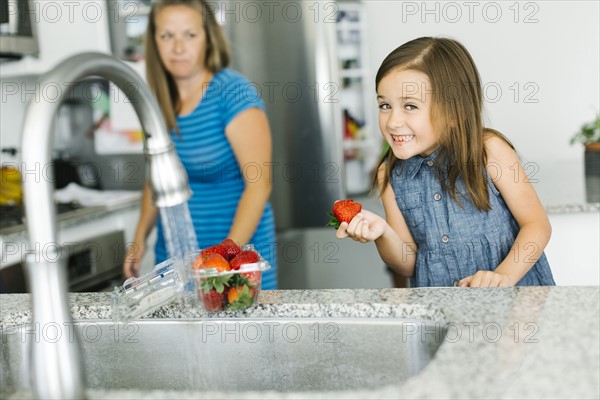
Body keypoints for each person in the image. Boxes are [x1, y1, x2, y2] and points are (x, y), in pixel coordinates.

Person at [336, 37, 555, 288]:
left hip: (516, 306)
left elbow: (536, 224)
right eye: (384, 105)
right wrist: (383, 232)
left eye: (409, 106)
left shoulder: (488, 151)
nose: (393, 121)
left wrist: (503, 276)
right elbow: (407, 263)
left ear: (453, 113)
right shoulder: (390, 173)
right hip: (442, 315)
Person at [123, 0, 278, 289]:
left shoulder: (233, 93)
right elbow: (155, 177)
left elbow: (259, 186)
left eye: (190, 35)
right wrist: (139, 238)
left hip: (235, 257)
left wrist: (224, 257)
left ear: (208, 38)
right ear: (154, 41)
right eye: (167, 36)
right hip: (174, 260)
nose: (178, 47)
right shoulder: (157, 101)